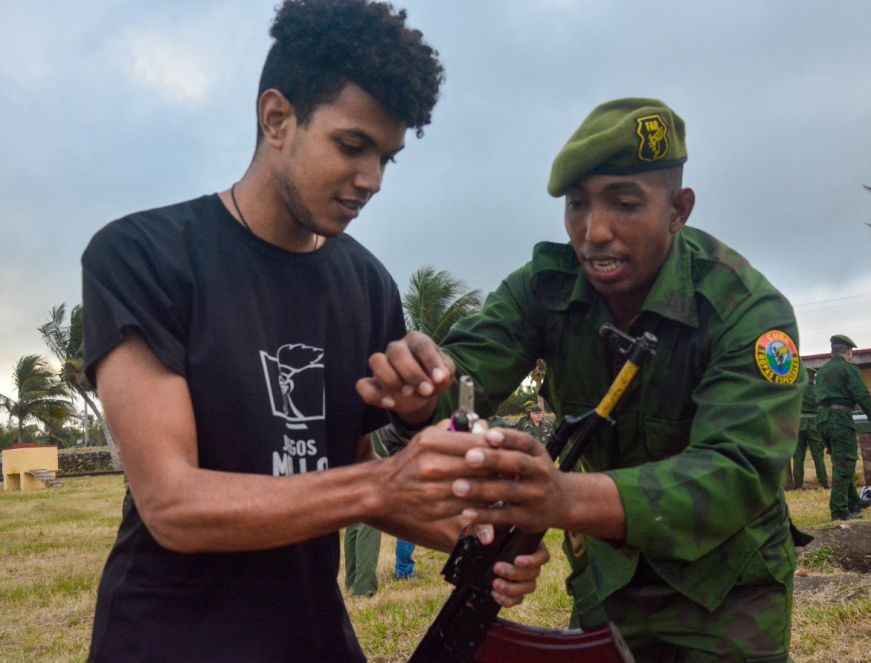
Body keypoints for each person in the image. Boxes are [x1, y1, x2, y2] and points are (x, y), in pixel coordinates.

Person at [80, 2, 545, 661]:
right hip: (169, 636)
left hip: (313, 636)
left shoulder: (367, 284)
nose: (371, 180)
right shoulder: (144, 255)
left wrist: (482, 541)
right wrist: (384, 483)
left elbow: (344, 470)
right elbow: (172, 503)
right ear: (276, 118)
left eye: (387, 157)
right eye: (352, 146)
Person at [358, 98, 805, 660]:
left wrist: (562, 496)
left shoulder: (747, 310)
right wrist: (416, 390)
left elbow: (737, 473)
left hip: (727, 583)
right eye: (577, 206)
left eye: (624, 203)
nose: (593, 232)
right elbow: (462, 377)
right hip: (607, 577)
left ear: (678, 209)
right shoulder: (545, 287)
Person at [815, 334, 871, 520]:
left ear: (832, 351)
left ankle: (853, 501)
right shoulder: (847, 368)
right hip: (840, 420)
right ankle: (839, 511)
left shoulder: (822, 371)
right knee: (844, 464)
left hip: (823, 421)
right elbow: (862, 395)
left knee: (840, 462)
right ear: (849, 351)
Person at [792, 368, 829, 489]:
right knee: (818, 456)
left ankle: (797, 485)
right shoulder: (818, 391)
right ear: (813, 377)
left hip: (798, 424)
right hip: (814, 424)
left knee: (798, 457)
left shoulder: (796, 390)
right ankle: (824, 484)